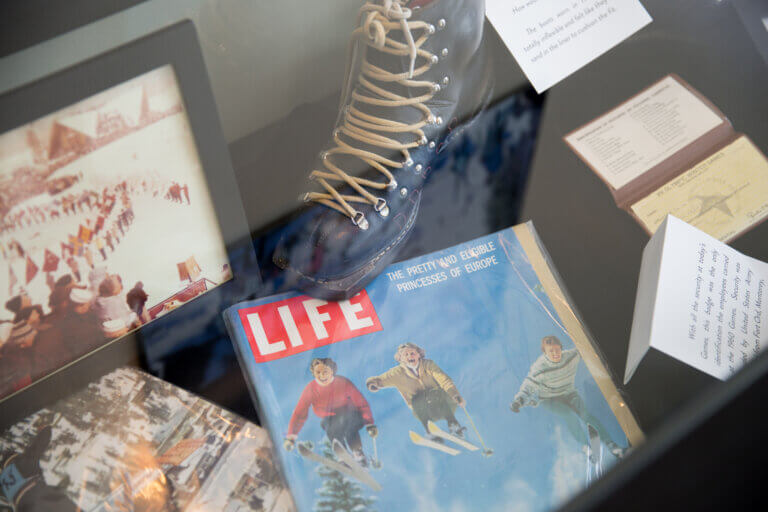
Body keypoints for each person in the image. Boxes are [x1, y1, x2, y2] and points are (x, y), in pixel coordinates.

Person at [509, 336, 626, 459]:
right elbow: (528, 385)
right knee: (568, 414)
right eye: (551, 351)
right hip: (549, 399)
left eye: (557, 349)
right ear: (545, 353)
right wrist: (518, 401)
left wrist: (602, 352)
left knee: (585, 415)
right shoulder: (539, 368)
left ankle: (611, 444)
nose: (555, 353)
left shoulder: (571, 357)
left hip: (569, 393)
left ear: (561, 348)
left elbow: (586, 350)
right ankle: (585, 446)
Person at [284, 358, 377, 467]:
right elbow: (300, 413)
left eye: (325, 372)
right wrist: (291, 435)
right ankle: (343, 455)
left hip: (350, 414)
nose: (322, 376)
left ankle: (358, 453)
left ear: (332, 371)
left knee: (348, 426)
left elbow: (360, 401)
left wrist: (369, 423)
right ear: (313, 373)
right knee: (331, 427)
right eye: (318, 372)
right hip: (330, 419)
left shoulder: (342, 382)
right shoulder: (311, 389)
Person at [367, 343, 466, 438]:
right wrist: (373, 383)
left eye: (412, 353)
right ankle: (429, 431)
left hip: (439, 402)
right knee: (417, 401)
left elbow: (444, 380)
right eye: (406, 355)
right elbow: (382, 379)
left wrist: (455, 395)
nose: (410, 356)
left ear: (419, 354)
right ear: (401, 359)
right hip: (421, 407)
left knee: (436, 393)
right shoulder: (397, 373)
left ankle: (453, 424)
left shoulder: (428, 365)